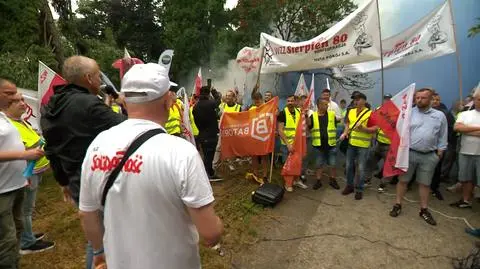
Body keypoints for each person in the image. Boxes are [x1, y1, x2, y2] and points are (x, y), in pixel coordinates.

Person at [79, 63, 223, 269]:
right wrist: (218, 228)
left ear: (125, 101)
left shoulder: (98, 144)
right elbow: (210, 234)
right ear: (167, 102)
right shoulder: (181, 152)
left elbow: (87, 213)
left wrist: (99, 251)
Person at [40, 55, 126, 269]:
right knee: (108, 240)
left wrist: (63, 180)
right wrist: (126, 104)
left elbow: (52, 148)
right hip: (101, 180)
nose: (101, 82)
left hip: (76, 180)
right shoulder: (87, 104)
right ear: (88, 78)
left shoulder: (52, 105)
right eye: (98, 76)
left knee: (95, 238)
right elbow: (126, 126)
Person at [0, 78, 45, 268]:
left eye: (15, 93)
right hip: (2, 190)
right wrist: (24, 154)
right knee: (6, 239)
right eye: (8, 93)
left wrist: (23, 177)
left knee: (17, 231)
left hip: (17, 184)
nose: (14, 97)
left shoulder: (4, 117)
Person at [4, 93, 56, 254]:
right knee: (25, 209)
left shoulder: (20, 122)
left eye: (22, 100)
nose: (22, 103)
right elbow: (20, 151)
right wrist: (40, 142)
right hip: (27, 172)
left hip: (36, 170)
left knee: (27, 209)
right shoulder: (9, 127)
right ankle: (27, 242)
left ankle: (27, 234)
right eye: (17, 101)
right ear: (6, 105)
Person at [389, 88, 447, 226]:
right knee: (403, 180)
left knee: (425, 184)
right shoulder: (408, 113)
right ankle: (398, 204)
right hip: (409, 153)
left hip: (429, 156)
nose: (419, 100)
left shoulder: (439, 116)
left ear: (431, 99)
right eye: (417, 98)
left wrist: (440, 152)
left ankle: (424, 209)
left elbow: (443, 135)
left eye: (423, 98)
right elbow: (398, 129)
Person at [340, 92, 376, 200]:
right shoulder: (350, 111)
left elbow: (375, 128)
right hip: (351, 144)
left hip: (363, 146)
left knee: (361, 168)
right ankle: (349, 186)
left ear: (364, 100)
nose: (355, 101)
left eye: (358, 99)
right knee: (349, 166)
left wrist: (364, 129)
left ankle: (359, 189)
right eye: (354, 99)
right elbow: (347, 124)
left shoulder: (370, 113)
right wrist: (345, 133)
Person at [449, 89, 480, 211]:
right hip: (465, 152)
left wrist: (467, 130)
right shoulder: (465, 114)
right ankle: (466, 200)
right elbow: (457, 127)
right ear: (474, 100)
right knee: (466, 178)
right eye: (479, 99)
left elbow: (463, 129)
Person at [307, 99, 340, 190]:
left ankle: (333, 180)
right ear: (319, 105)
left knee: (333, 164)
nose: (327, 106)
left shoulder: (332, 114)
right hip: (318, 146)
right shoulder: (312, 116)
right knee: (319, 165)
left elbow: (336, 124)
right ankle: (318, 181)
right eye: (325, 104)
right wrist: (305, 115)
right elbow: (309, 127)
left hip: (331, 145)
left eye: (327, 104)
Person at [277, 95, 308, 191]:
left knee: (298, 163)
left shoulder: (300, 112)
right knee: (288, 164)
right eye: (288, 101)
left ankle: (297, 180)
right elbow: (280, 130)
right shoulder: (283, 113)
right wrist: (288, 144)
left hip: (298, 144)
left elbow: (307, 125)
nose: (290, 102)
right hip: (287, 144)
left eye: (292, 101)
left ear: (295, 102)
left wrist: (306, 115)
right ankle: (288, 183)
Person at [193, 86, 223, 182]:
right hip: (211, 134)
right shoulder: (210, 104)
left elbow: (196, 121)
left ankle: (210, 172)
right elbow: (218, 100)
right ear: (208, 94)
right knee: (209, 156)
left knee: (206, 155)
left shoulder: (195, 107)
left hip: (202, 134)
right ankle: (207, 175)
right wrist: (214, 91)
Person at [430, 92, 455, 200]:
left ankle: (434, 188)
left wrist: (443, 145)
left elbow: (450, 129)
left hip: (438, 147)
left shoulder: (445, 114)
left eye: (437, 100)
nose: (435, 101)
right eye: (433, 99)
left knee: (437, 168)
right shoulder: (421, 112)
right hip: (424, 146)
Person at [248, 92, 268, 184]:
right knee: (254, 156)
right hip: (254, 135)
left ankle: (265, 175)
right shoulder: (252, 109)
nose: (257, 104)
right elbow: (247, 120)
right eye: (255, 102)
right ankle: (255, 173)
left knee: (264, 156)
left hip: (264, 136)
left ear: (261, 99)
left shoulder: (267, 107)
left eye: (258, 102)